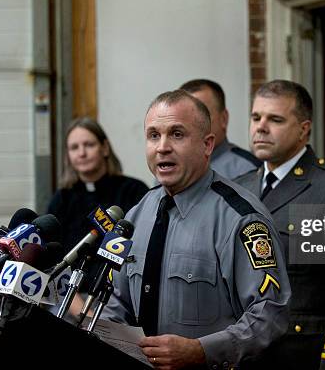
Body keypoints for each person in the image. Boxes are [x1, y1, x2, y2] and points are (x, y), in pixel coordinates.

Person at [102, 90, 291, 369]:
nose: (162, 147)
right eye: (154, 135)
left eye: (177, 134)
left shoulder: (241, 219)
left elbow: (270, 315)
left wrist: (201, 350)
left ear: (207, 145)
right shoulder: (137, 214)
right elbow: (117, 299)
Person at [235, 80, 325, 369]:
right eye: (256, 117)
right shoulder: (240, 187)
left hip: (300, 354)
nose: (261, 127)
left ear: (304, 129)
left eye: (275, 119)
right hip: (243, 352)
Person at [47, 117, 148, 253]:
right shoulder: (62, 198)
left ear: (105, 148)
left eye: (89, 145)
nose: (82, 153)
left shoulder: (134, 190)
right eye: (74, 147)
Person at [180, 79, 260, 179]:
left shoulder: (249, 170)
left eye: (201, 116)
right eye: (183, 117)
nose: (190, 124)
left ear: (224, 119)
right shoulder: (169, 167)